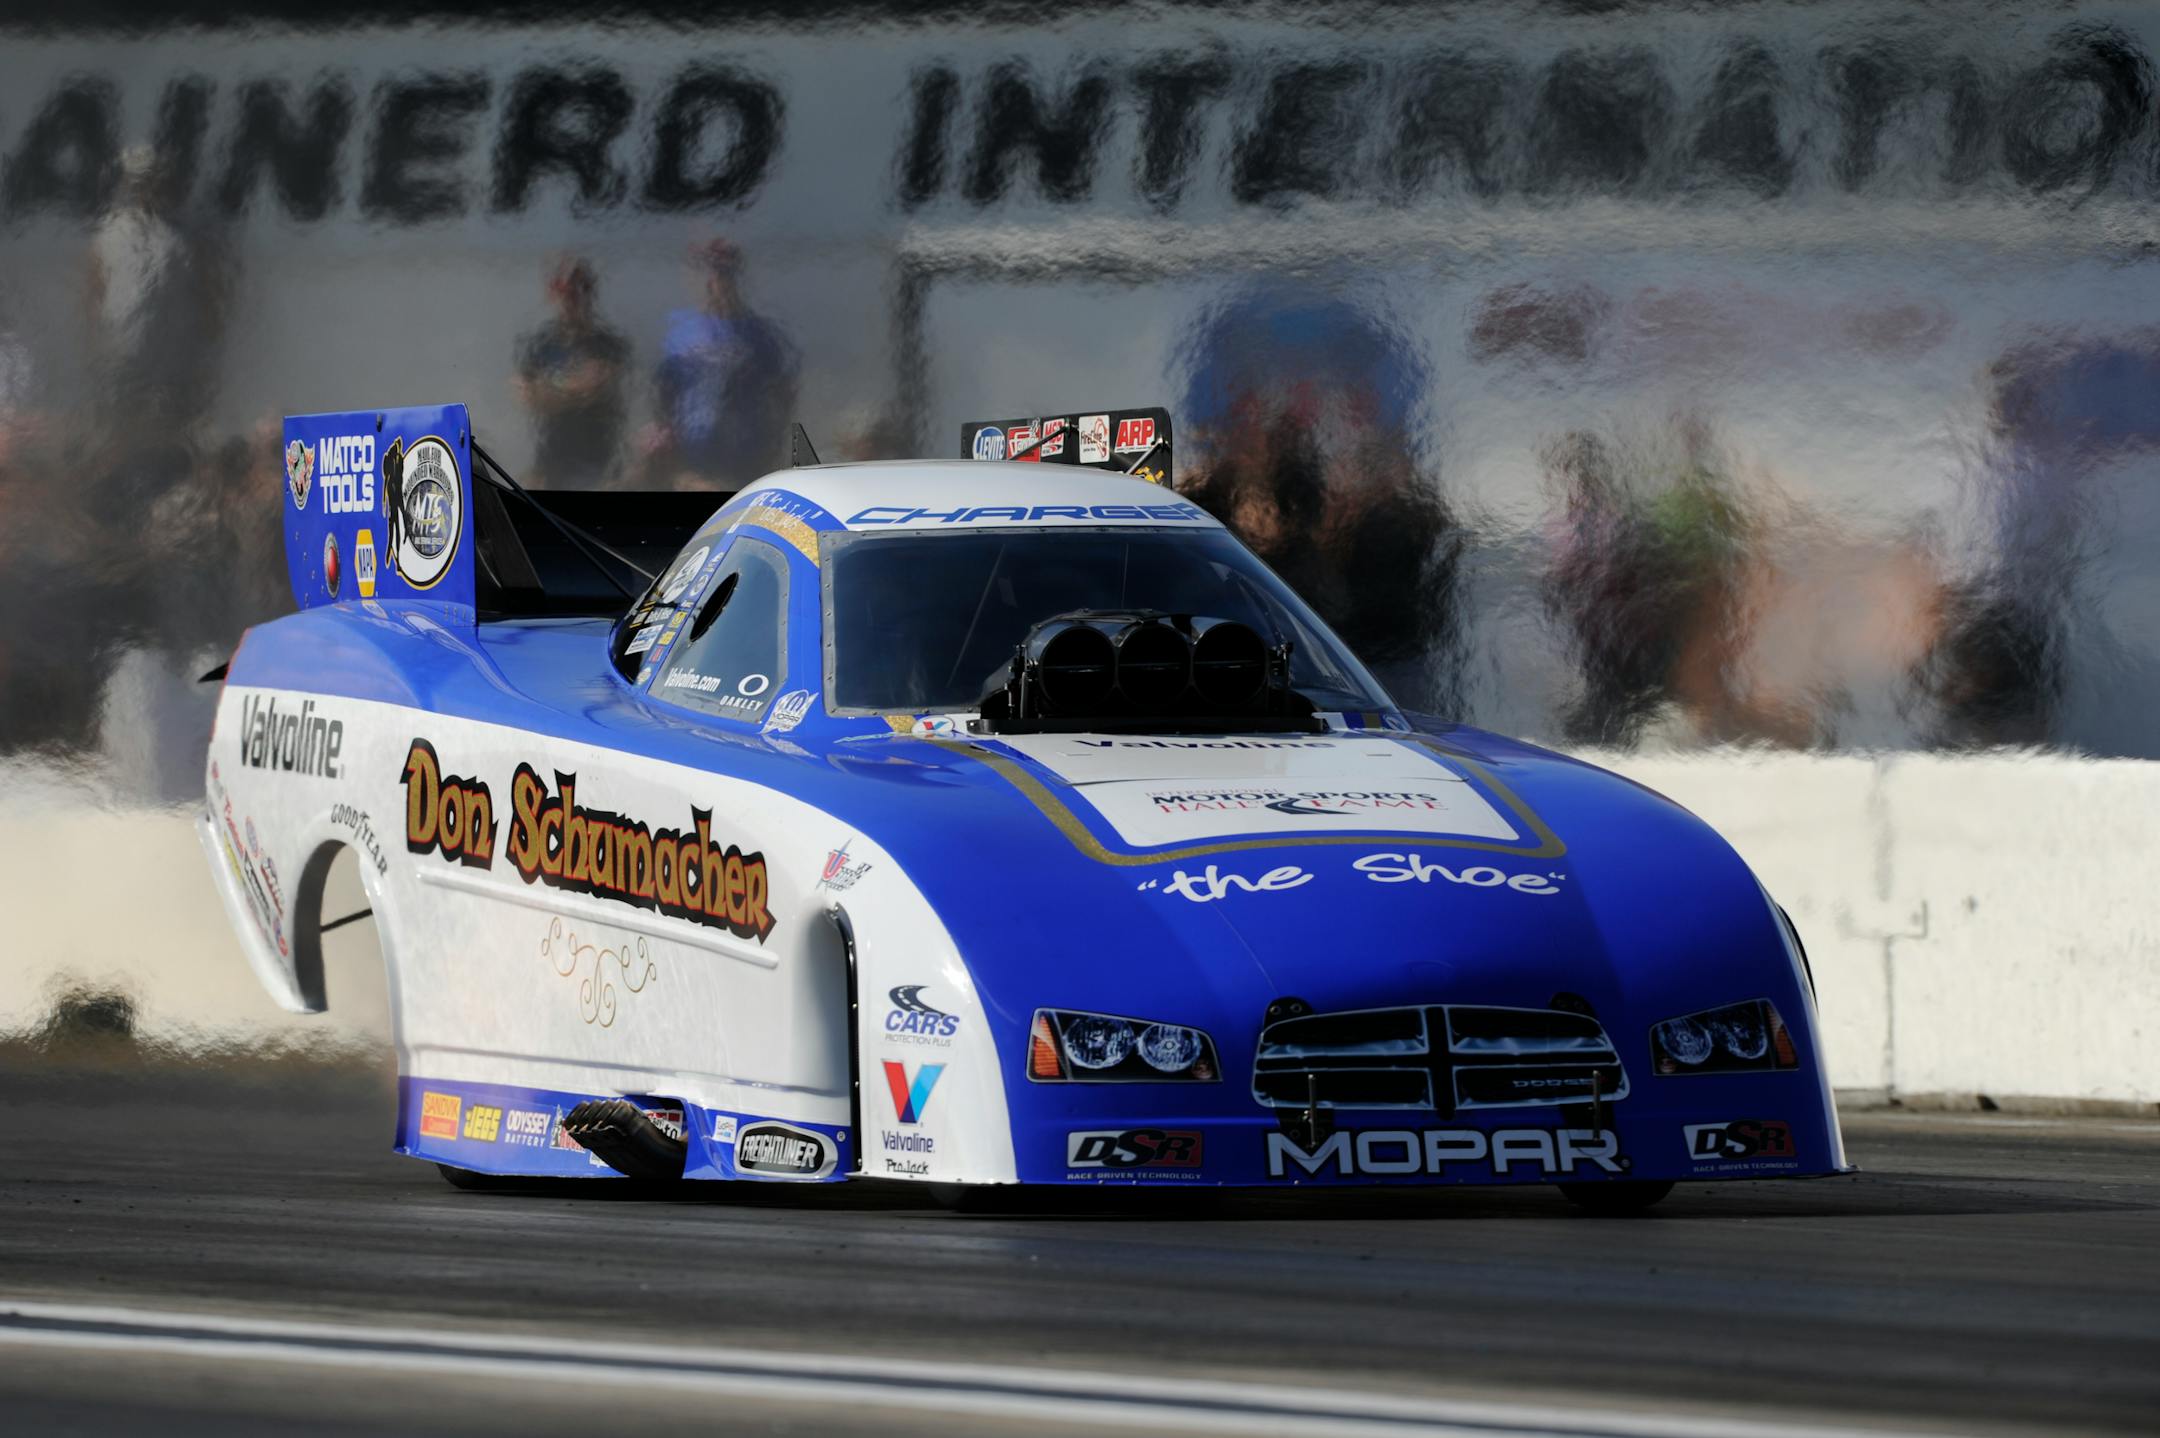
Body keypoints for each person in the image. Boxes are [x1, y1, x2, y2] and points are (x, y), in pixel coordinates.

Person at [646, 239, 798, 489]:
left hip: (746, 448)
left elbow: (783, 390)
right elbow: (663, 388)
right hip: (693, 450)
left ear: (735, 278)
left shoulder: (759, 333)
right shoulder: (679, 332)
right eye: (712, 273)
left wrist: (777, 440)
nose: (718, 281)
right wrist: (666, 434)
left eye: (725, 273)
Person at [514, 257, 631, 487]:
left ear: (590, 294)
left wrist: (549, 388)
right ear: (554, 295)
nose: (573, 299)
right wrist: (575, 387)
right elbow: (527, 398)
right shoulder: (540, 344)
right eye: (566, 291)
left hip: (598, 459)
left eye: (581, 290)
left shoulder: (609, 345)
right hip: (550, 459)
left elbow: (597, 389)